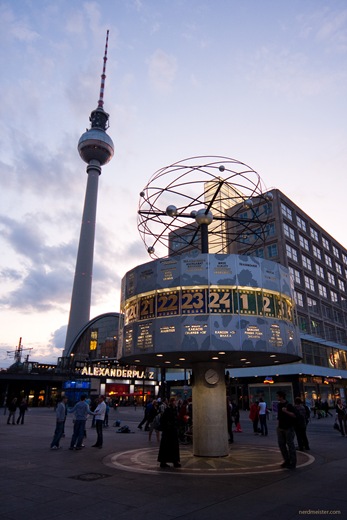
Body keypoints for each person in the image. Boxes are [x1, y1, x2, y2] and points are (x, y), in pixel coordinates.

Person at [157, 397, 181, 469]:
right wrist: (170, 425)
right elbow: (164, 420)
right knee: (170, 446)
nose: (176, 402)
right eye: (175, 401)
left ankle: (169, 461)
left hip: (170, 431)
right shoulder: (169, 410)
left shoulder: (172, 409)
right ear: (172, 402)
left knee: (168, 446)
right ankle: (171, 461)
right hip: (169, 431)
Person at [276, 390, 297, 470]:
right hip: (280, 427)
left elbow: (294, 415)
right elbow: (279, 416)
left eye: (278, 396)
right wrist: (278, 426)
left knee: (290, 445)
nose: (276, 397)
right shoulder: (278, 405)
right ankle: (286, 460)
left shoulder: (289, 405)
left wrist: (286, 411)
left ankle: (293, 462)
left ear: (281, 397)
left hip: (288, 428)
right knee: (281, 445)